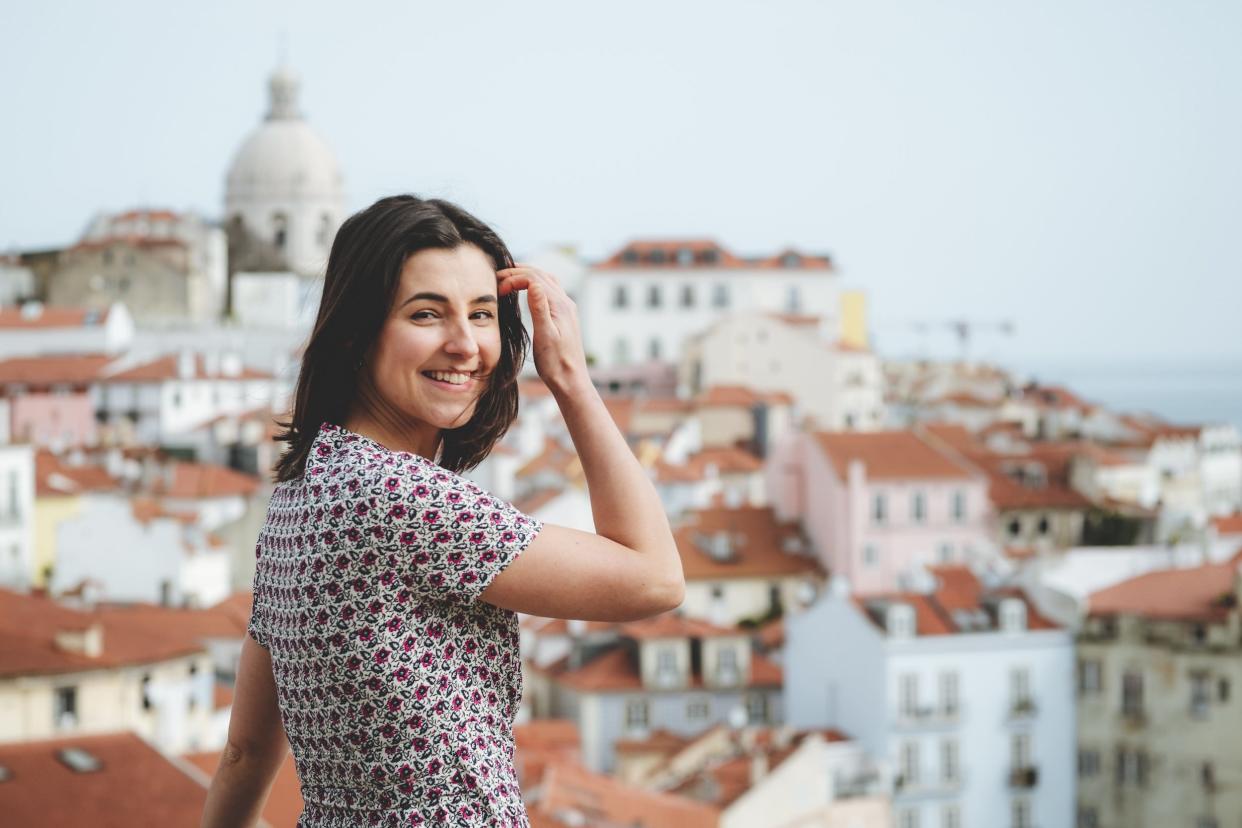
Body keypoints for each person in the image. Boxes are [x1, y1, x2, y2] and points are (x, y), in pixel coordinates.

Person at [200, 195, 685, 827]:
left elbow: (245, 753)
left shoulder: (300, 498)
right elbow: (655, 579)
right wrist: (571, 377)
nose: (464, 344)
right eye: (426, 314)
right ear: (355, 332)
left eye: (482, 314)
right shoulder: (398, 496)